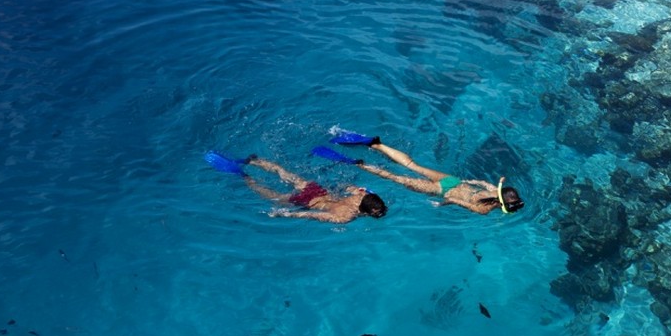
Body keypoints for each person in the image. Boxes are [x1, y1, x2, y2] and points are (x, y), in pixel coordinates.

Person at [323, 131, 525, 215]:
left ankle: (377, 145)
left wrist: (467, 180)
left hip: (452, 180)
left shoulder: (493, 190)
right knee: (395, 178)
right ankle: (360, 164)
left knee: (412, 164)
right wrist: (440, 204)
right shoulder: (484, 210)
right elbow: (455, 200)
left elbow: (480, 181)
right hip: (441, 190)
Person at [205, 151, 387, 224]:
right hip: (306, 201)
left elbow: (348, 187)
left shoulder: (362, 194)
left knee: (283, 172)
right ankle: (243, 176)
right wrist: (285, 214)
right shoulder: (345, 217)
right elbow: (312, 215)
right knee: (267, 193)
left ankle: (253, 161)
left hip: (317, 190)